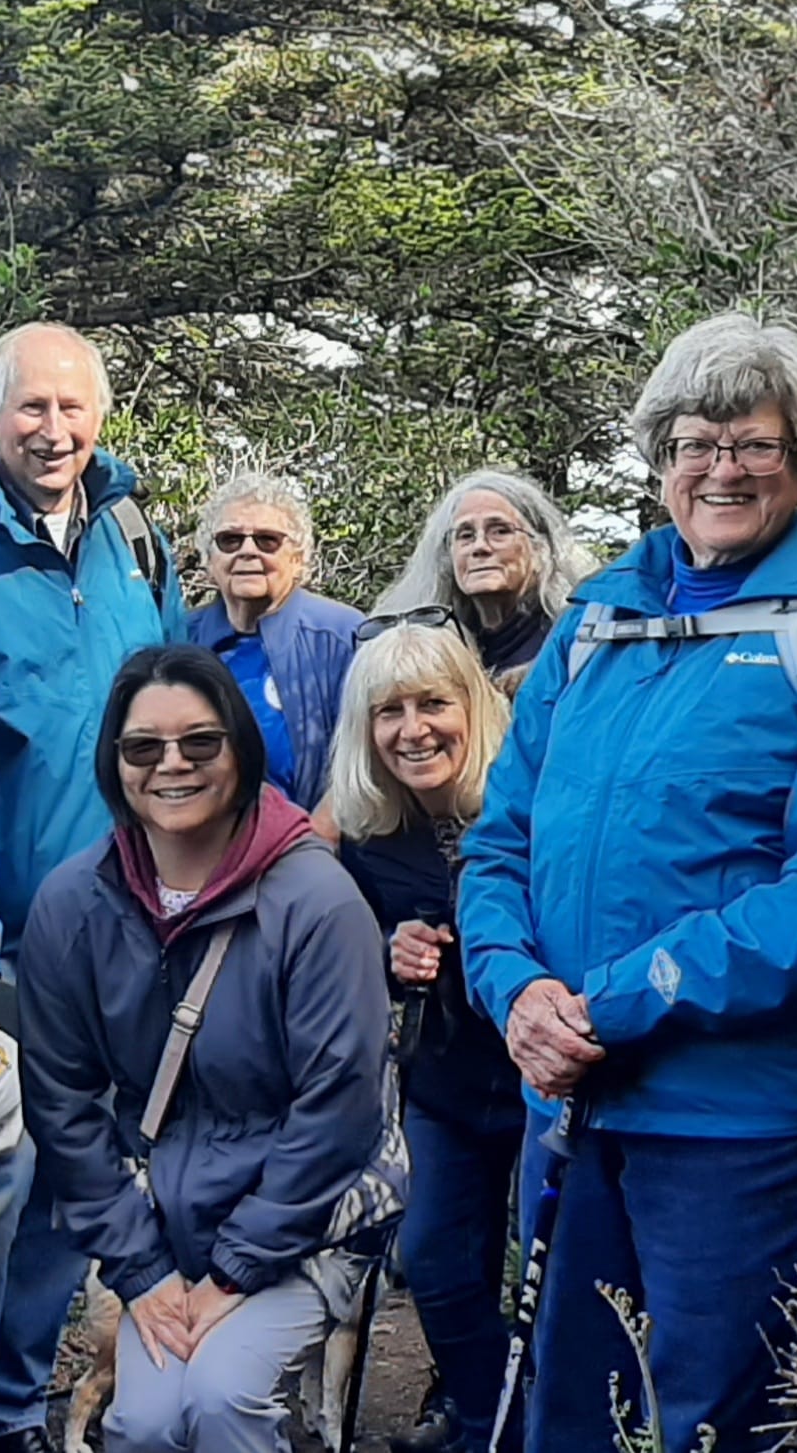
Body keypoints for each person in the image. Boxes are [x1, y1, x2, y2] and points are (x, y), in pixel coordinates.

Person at [458, 312, 797, 1453]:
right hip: (565, 1101)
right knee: (564, 1413)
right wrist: (515, 991)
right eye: (694, 440)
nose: (720, 467)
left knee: (706, 1421)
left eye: (753, 443)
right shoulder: (593, 620)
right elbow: (497, 845)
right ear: (657, 456)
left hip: (732, 1125)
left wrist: (613, 1003)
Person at [0, 323, 187, 1453]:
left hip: (120, 934)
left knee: (76, 1182)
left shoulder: (134, 537)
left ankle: (9, 1411)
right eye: (30, 408)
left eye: (72, 407)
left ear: (99, 415)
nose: (52, 430)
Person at [19, 644, 405, 1452]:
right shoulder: (72, 903)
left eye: (200, 742)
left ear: (239, 745)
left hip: (303, 1222)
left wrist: (236, 1264)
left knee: (223, 1400)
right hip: (158, 1227)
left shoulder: (319, 904)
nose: (172, 765)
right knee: (145, 1421)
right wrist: (141, 1269)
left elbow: (337, 1106)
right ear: (114, 760)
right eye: (142, 747)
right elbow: (62, 1100)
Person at [327, 621, 517, 1453]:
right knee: (434, 1256)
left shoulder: (526, 803)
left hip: (548, 1078)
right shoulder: (369, 835)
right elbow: (338, 950)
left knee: (560, 1277)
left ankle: (538, 1415)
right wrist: (385, 948)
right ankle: (487, 1422)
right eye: (388, 711)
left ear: (471, 705)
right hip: (442, 1083)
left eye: (433, 703)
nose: (413, 729)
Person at [187, 471, 362, 808]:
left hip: (313, 843)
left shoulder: (344, 636)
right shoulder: (182, 639)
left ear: (298, 560)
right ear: (210, 560)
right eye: (229, 540)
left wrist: (324, 831)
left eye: (267, 540)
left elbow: (368, 754)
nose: (247, 552)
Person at [377, 468, 596, 692]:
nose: (479, 546)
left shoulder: (577, 643)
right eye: (465, 535)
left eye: (500, 531)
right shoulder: (435, 647)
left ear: (541, 550)